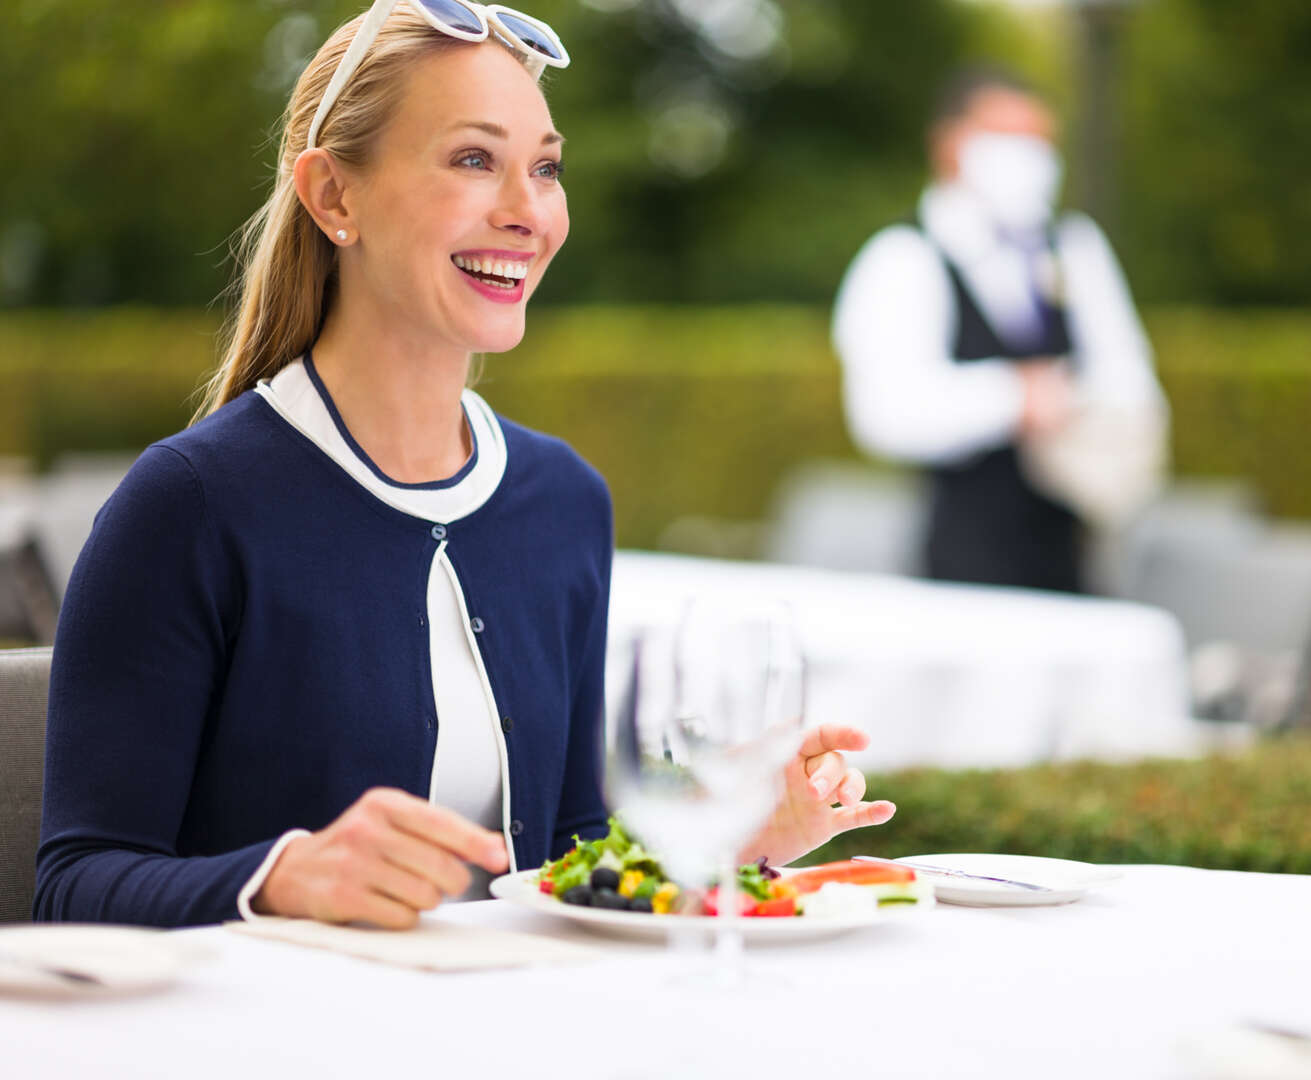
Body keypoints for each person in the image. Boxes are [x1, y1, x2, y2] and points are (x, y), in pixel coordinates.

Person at [34, 1, 893, 930]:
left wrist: (733, 837)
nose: (528, 212)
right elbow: (76, 883)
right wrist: (285, 877)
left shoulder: (563, 501)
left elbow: (564, 857)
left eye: (547, 168)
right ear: (333, 198)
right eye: (474, 159)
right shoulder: (190, 506)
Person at [832, 67, 1166, 593]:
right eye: (1009, 138)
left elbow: (1131, 380)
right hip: (960, 568)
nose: (1029, 159)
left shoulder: (1074, 246)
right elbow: (885, 412)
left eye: (1040, 143)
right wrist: (1014, 397)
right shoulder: (903, 257)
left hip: (1075, 559)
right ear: (949, 144)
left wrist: (1076, 403)